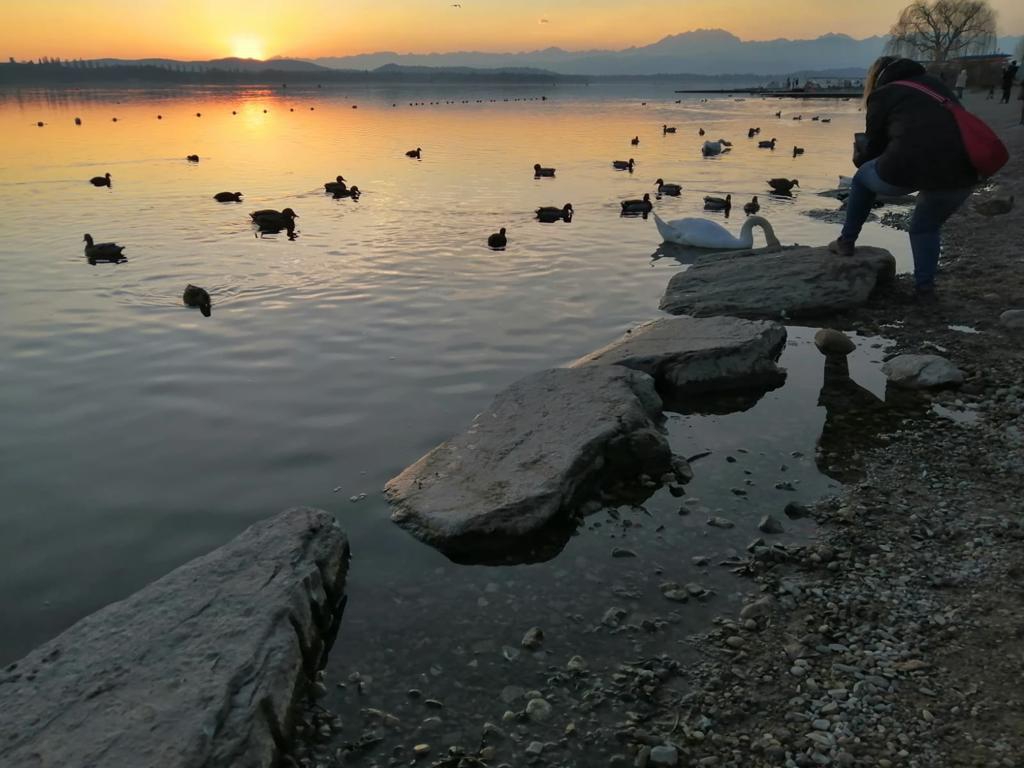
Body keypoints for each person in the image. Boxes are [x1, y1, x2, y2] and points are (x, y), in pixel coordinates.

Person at [830, 56, 976, 301]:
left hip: (907, 168)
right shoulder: (938, 87)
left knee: (860, 178)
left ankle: (846, 241)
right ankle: (924, 290)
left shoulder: (883, 95)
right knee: (925, 227)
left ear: (877, 77)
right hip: (962, 170)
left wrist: (860, 155)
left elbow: (873, 152)